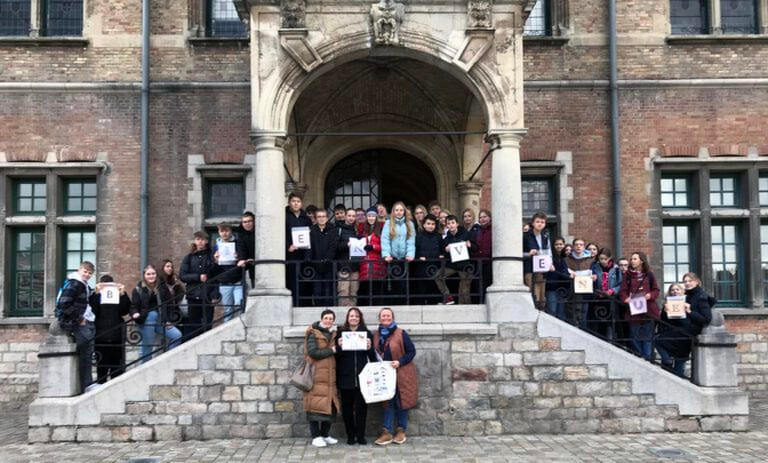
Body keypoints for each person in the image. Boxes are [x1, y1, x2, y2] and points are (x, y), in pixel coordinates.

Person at [374, 308, 417, 446]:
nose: (385, 318)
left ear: (392, 317)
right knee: (387, 401)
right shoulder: (376, 335)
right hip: (384, 375)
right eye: (383, 316)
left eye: (388, 315)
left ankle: (400, 430)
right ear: (379, 318)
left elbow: (411, 352)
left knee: (401, 401)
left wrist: (400, 362)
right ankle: (386, 432)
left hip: (401, 373)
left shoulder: (401, 333)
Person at [656, 274, 713, 376]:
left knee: (679, 359)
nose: (687, 283)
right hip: (678, 331)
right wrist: (666, 311)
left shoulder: (700, 296)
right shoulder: (685, 296)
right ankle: (667, 363)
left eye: (689, 281)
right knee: (659, 341)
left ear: (697, 282)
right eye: (685, 281)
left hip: (687, 333)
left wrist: (689, 311)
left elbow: (706, 319)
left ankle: (675, 375)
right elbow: (666, 320)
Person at [335, 307, 376, 445]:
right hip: (345, 376)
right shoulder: (340, 333)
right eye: (351, 316)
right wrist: (339, 346)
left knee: (361, 409)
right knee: (346, 409)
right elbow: (336, 357)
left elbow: (372, 357)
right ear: (347, 318)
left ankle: (361, 435)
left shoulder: (366, 333)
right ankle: (350, 435)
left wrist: (370, 347)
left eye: (356, 316)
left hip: (362, 377)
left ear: (360, 318)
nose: (353, 318)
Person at [56, 261, 96, 393]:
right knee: (85, 353)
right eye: (85, 272)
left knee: (87, 353)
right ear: (79, 270)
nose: (87, 275)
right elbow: (63, 303)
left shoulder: (82, 284)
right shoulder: (75, 283)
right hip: (78, 323)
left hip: (85, 321)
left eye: (90, 273)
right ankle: (87, 384)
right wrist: (79, 319)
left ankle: (86, 384)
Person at [303, 309, 341, 448]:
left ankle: (325, 435)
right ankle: (315, 436)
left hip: (330, 376)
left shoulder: (334, 333)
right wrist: (331, 350)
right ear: (321, 319)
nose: (328, 320)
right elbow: (313, 352)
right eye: (326, 318)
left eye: (331, 318)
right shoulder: (313, 333)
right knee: (314, 406)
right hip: (316, 374)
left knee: (331, 406)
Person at [131, 265, 182, 363]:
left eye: (153, 273)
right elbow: (134, 306)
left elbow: (169, 304)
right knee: (148, 347)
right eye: (148, 274)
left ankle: (167, 360)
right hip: (146, 320)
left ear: (156, 274)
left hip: (160, 319)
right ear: (144, 275)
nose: (151, 276)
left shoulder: (161, 287)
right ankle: (143, 369)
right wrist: (135, 313)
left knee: (177, 335)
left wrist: (168, 320)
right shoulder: (139, 289)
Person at [619, 252, 661, 360]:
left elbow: (656, 290)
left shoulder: (649, 274)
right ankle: (640, 358)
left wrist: (649, 295)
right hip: (634, 312)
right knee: (634, 338)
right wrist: (626, 299)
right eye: (631, 259)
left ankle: (647, 360)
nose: (632, 261)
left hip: (648, 311)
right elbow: (622, 292)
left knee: (647, 338)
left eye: (634, 259)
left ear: (641, 261)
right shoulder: (627, 276)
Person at [90, 274, 131, 383]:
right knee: (102, 366)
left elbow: (125, 310)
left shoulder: (117, 295)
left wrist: (122, 294)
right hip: (101, 334)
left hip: (116, 333)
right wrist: (96, 293)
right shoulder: (96, 295)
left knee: (116, 365)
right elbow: (93, 310)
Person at [180, 231, 219, 341]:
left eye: (202, 239)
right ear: (195, 241)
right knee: (193, 325)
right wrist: (197, 277)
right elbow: (182, 275)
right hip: (193, 295)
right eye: (198, 239)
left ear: (206, 241)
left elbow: (216, 276)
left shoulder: (211, 255)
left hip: (208, 295)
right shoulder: (189, 257)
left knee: (207, 325)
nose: (200, 241)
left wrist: (216, 262)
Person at [381, 201, 416, 304]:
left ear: (404, 211)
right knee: (393, 284)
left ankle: (404, 303)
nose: (399, 212)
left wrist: (410, 254)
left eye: (401, 210)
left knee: (404, 284)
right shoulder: (388, 223)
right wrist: (386, 255)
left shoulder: (409, 224)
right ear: (393, 212)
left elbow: (411, 241)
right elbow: (385, 240)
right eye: (397, 210)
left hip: (405, 259)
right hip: (392, 259)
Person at [436, 215, 476, 304]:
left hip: (465, 266)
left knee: (464, 291)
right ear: (446, 225)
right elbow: (444, 254)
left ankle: (467, 311)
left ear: (457, 224)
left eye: (453, 223)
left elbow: (475, 247)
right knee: (438, 276)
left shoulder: (466, 234)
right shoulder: (446, 239)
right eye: (448, 223)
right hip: (452, 265)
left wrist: (469, 245)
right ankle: (448, 296)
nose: (451, 225)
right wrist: (446, 250)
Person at [213, 223, 247, 321]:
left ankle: (241, 326)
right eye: (222, 231)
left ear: (230, 231)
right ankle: (227, 331)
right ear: (219, 232)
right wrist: (215, 260)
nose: (224, 233)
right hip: (224, 282)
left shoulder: (238, 243)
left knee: (238, 304)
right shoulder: (216, 247)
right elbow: (213, 269)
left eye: (226, 231)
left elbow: (243, 259)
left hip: (237, 280)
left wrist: (238, 257)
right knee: (228, 310)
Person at [286, 193, 312, 306]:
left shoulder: (306, 218)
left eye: (298, 201)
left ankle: (303, 304)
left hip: (303, 255)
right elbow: (281, 234)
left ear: (301, 203)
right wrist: (288, 246)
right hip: (290, 255)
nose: (296, 203)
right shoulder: (284, 216)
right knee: (291, 282)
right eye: (293, 201)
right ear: (289, 202)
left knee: (304, 283)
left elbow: (310, 236)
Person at [589, 248, 622, 339]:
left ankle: (613, 341)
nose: (603, 261)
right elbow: (589, 281)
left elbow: (620, 284)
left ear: (610, 258)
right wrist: (593, 280)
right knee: (599, 323)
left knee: (612, 322)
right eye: (601, 259)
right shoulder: (594, 266)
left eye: (605, 259)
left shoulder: (615, 268)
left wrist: (612, 291)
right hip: (598, 298)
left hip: (611, 298)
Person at [307, 208, 338, 306]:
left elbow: (333, 246)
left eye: (323, 216)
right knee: (317, 290)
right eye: (319, 217)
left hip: (329, 265)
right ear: (315, 219)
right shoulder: (311, 230)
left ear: (327, 218)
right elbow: (309, 246)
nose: (321, 219)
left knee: (328, 289)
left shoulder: (333, 229)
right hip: (315, 266)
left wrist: (328, 258)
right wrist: (309, 258)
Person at [358, 207, 387, 306]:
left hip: (377, 262)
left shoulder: (381, 229)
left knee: (376, 288)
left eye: (373, 216)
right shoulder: (362, 229)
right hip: (364, 262)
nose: (371, 218)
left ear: (376, 217)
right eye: (369, 216)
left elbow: (385, 245)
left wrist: (373, 246)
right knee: (365, 289)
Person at [565, 238, 595, 328]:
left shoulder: (591, 260)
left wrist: (595, 276)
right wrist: (569, 274)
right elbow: (564, 272)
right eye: (576, 244)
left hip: (586, 289)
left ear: (584, 247)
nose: (578, 246)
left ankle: (584, 331)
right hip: (572, 290)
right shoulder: (567, 260)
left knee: (584, 312)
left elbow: (595, 271)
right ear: (573, 247)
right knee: (573, 312)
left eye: (581, 245)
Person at [523, 211, 550, 307]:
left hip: (540, 268)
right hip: (529, 267)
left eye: (542, 222)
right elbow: (517, 253)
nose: (540, 224)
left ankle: (540, 310)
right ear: (533, 223)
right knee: (530, 290)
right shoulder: (525, 236)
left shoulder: (545, 236)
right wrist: (528, 254)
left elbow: (548, 251)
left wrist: (550, 264)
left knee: (540, 293)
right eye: (538, 222)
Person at [414, 214, 443, 304]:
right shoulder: (419, 236)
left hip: (435, 269)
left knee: (433, 295)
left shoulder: (439, 237)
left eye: (433, 224)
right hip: (421, 270)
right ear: (424, 225)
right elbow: (415, 250)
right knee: (421, 294)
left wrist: (441, 255)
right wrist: (418, 256)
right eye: (428, 223)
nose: (431, 226)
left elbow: (442, 249)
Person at [336, 208, 361, 306]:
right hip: (343, 266)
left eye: (353, 216)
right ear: (345, 216)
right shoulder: (339, 229)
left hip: (355, 266)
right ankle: (343, 314)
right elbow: (335, 247)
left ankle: (352, 316)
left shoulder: (357, 230)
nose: (351, 218)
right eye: (349, 216)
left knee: (354, 292)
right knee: (343, 291)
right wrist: (347, 244)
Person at [545, 237, 570, 320]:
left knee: (561, 313)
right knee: (552, 311)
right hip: (552, 287)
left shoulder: (566, 257)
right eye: (557, 244)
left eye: (561, 244)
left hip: (563, 288)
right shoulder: (549, 256)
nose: (559, 246)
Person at [160, 259, 186, 325]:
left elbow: (180, 296)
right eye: (167, 266)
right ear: (162, 268)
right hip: (165, 311)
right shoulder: (160, 281)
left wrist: (178, 286)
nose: (170, 268)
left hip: (175, 311)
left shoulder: (174, 279)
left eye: (171, 267)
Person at [474, 209, 493, 296]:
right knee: (478, 286)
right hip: (478, 262)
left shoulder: (494, 230)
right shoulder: (477, 231)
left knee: (487, 285)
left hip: (489, 262)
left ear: (490, 218)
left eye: (485, 217)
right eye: (480, 217)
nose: (482, 219)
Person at [236, 211, 256, 287]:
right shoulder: (241, 233)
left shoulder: (259, 231)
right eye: (244, 222)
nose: (247, 224)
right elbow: (241, 247)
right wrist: (242, 258)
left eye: (249, 221)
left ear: (254, 222)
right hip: (252, 266)